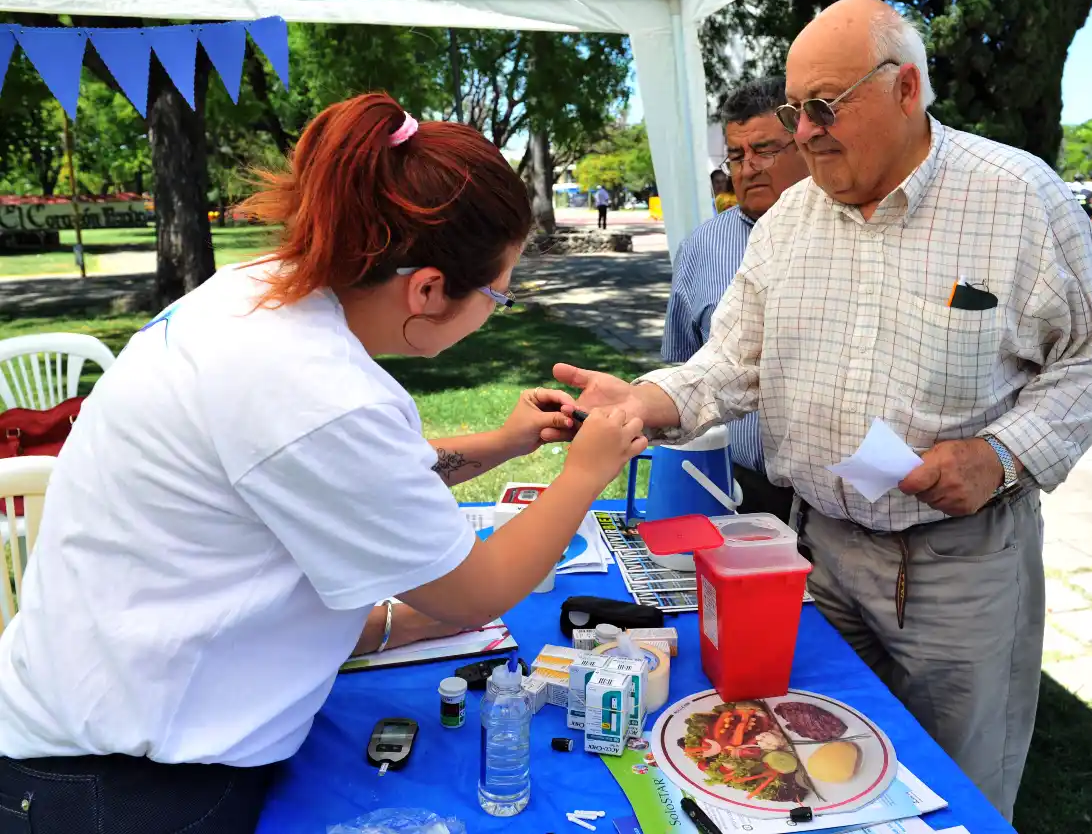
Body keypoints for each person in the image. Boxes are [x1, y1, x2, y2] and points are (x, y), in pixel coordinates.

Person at [552, 0, 1092, 818]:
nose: (804, 133)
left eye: (825, 106)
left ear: (908, 89)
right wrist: (647, 401)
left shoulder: (1017, 198)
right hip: (820, 556)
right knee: (810, 775)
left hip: (961, 570)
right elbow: (731, 363)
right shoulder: (790, 221)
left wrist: (1000, 454)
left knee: (953, 793)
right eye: (797, 111)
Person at [0, 93, 647, 833]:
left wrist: (503, 445)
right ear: (429, 288)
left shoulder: (257, 298)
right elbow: (477, 595)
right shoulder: (317, 391)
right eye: (498, 294)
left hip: (99, 713)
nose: (496, 310)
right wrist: (584, 472)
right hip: (122, 783)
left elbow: (340, 478)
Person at [664, 76, 811, 522]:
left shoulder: (847, 237)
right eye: (735, 155)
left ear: (804, 145)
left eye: (765, 149)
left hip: (839, 503)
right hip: (738, 488)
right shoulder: (700, 249)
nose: (748, 168)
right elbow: (684, 368)